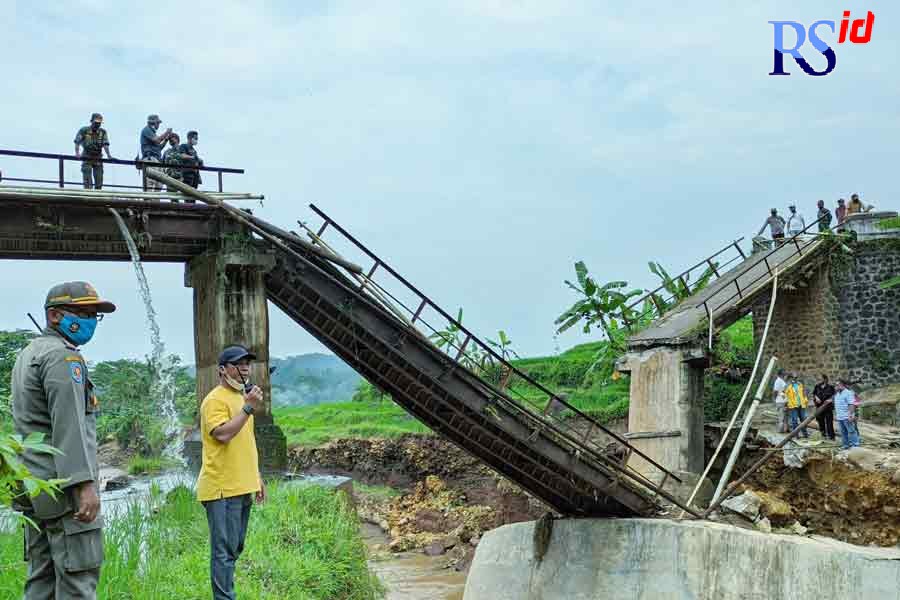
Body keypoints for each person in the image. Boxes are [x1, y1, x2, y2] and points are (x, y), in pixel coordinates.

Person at [11, 281, 116, 599]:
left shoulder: (28, 354)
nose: (88, 320)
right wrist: (83, 486)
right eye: (82, 312)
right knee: (77, 583)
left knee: (41, 582)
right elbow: (68, 426)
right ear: (55, 316)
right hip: (65, 494)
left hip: (37, 489)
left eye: (93, 314)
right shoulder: (63, 358)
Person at [197, 345, 267, 600]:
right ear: (222, 370)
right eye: (238, 363)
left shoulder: (241, 398)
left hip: (242, 485)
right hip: (221, 488)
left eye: (247, 363)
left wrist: (256, 477)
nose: (245, 368)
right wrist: (248, 408)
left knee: (235, 547)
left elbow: (246, 443)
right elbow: (224, 434)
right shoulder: (214, 400)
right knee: (224, 551)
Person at [74, 113, 112, 189]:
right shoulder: (84, 130)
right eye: (96, 123)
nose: (97, 125)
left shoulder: (103, 132)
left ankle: (98, 197)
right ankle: (88, 196)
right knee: (87, 181)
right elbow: (77, 142)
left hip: (98, 157)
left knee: (99, 180)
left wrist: (109, 155)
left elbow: (105, 144)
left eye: (99, 123)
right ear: (91, 121)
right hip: (86, 156)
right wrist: (77, 153)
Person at [139, 114, 173, 192]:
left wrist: (166, 139)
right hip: (150, 159)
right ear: (153, 123)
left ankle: (155, 203)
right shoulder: (146, 130)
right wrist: (166, 132)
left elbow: (158, 148)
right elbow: (157, 140)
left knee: (159, 184)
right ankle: (148, 202)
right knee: (150, 184)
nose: (158, 125)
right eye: (158, 123)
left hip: (156, 160)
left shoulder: (152, 132)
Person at [834, 379, 860, 449]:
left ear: (842, 385)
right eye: (835, 385)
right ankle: (846, 445)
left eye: (837, 385)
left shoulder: (848, 393)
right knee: (843, 432)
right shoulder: (837, 394)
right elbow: (837, 405)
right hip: (840, 417)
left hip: (847, 416)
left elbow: (851, 404)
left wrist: (851, 415)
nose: (835, 386)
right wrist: (836, 415)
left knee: (851, 431)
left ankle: (855, 445)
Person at [784, 373, 810, 438]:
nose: (795, 379)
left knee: (803, 420)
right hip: (793, 405)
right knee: (794, 420)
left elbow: (804, 393)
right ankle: (796, 434)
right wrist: (787, 403)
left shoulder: (800, 384)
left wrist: (806, 400)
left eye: (796, 377)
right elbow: (785, 394)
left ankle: (805, 433)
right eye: (794, 377)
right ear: (791, 378)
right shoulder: (788, 386)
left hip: (801, 404)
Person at [812, 374, 836, 441]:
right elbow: (814, 394)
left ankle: (831, 437)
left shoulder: (830, 387)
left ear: (825, 379)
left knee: (829, 422)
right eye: (819, 379)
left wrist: (830, 400)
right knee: (821, 422)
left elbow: (834, 396)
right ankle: (823, 435)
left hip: (827, 407)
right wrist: (816, 398)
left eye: (820, 379)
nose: (819, 380)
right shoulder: (817, 386)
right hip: (819, 407)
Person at [772, 369, 788, 433]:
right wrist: (774, 399)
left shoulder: (781, 381)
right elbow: (775, 391)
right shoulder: (778, 381)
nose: (785, 373)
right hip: (780, 401)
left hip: (783, 401)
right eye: (784, 372)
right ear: (781, 373)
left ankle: (785, 429)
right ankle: (781, 430)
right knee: (781, 416)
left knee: (785, 416)